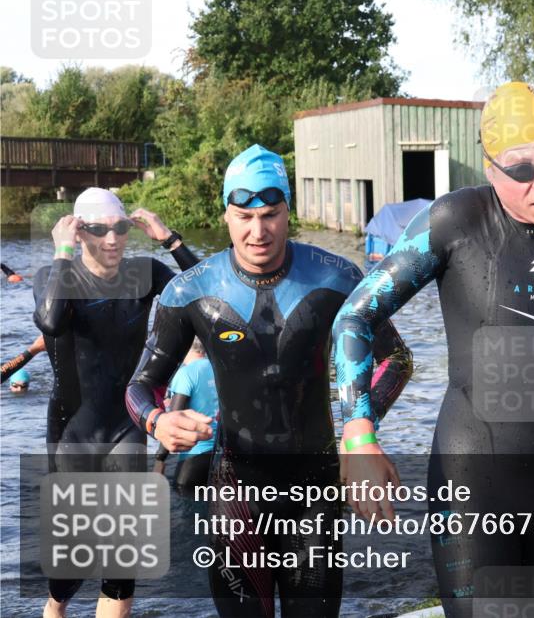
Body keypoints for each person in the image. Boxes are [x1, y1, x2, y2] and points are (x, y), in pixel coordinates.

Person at [333, 82, 534, 616]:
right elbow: (355, 315)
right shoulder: (455, 223)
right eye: (520, 169)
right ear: (489, 169)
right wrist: (358, 436)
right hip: (473, 482)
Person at [125, 144, 413, 617]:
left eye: (271, 215)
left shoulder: (337, 277)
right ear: (225, 216)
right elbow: (141, 385)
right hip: (235, 489)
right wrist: (157, 421)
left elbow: (396, 359)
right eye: (244, 216)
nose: (258, 231)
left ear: (287, 212)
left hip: (315, 490)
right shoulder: (190, 288)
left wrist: (359, 430)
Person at [33, 187, 199, 618]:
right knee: (69, 571)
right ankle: (55, 605)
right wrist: (62, 254)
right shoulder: (54, 277)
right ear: (79, 231)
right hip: (74, 433)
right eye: (99, 230)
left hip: (126, 426)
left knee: (121, 567)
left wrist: (170, 240)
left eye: (120, 228)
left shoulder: (144, 273)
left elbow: (209, 296)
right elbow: (50, 321)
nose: (112, 239)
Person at [152, 337, 219, 495]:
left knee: (184, 500)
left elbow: (174, 421)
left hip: (195, 456)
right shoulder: (218, 368)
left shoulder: (185, 374)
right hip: (220, 454)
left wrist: (159, 460)